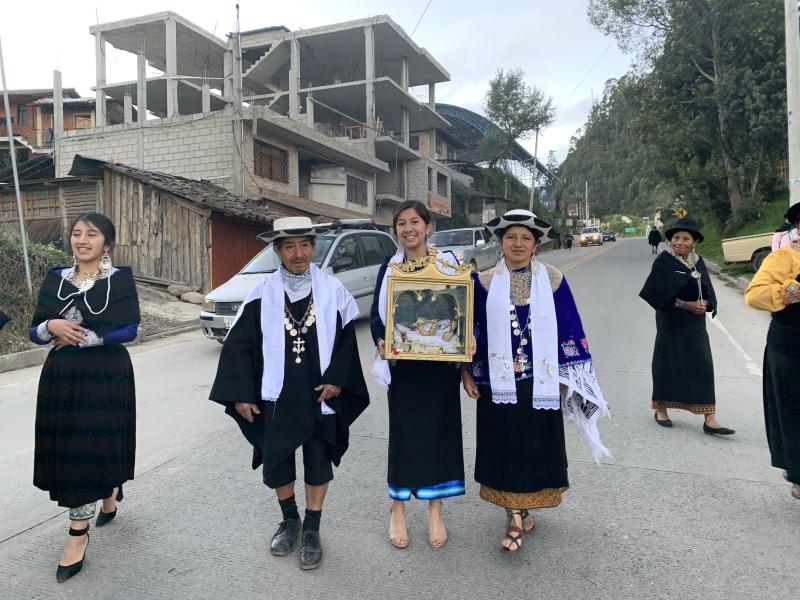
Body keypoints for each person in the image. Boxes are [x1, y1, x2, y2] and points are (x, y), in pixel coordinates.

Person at [210, 216, 369, 570]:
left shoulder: (333, 290)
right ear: (278, 251)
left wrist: (337, 381)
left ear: (314, 247)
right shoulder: (261, 293)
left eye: (305, 245)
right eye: (289, 246)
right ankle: (290, 519)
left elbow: (346, 342)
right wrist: (242, 394)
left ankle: (312, 527)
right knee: (277, 457)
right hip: (275, 394)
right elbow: (240, 347)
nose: (298, 253)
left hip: (319, 393)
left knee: (317, 459)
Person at [461, 209, 610, 553]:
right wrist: (466, 370)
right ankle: (513, 516)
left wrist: (567, 375)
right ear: (500, 243)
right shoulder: (481, 283)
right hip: (495, 382)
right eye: (511, 237)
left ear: (535, 245)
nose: (518, 243)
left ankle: (522, 506)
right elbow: (468, 330)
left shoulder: (554, 279)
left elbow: (569, 324)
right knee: (505, 447)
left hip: (540, 381)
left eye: (525, 238)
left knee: (531, 449)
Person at [29, 212, 140, 583]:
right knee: (70, 449)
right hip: (62, 378)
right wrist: (51, 326)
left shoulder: (119, 280)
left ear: (106, 243)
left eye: (91, 234)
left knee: (90, 449)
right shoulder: (55, 280)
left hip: (106, 375)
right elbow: (34, 330)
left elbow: (131, 327)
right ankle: (107, 492)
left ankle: (78, 535)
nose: (82, 240)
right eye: (77, 233)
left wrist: (88, 337)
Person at [371, 200, 465, 550]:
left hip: (441, 365)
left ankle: (434, 509)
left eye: (414, 222)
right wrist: (381, 339)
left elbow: (466, 309)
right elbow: (377, 315)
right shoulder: (390, 267)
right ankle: (397, 507)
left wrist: (469, 338)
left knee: (440, 434)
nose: (408, 228)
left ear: (428, 227)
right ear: (396, 230)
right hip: (405, 366)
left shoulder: (449, 264)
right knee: (405, 435)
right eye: (401, 223)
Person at [639, 217, 734, 435]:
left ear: (694, 242)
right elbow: (654, 294)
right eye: (675, 238)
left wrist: (706, 303)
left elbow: (707, 288)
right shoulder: (664, 261)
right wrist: (686, 305)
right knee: (667, 363)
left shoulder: (697, 261)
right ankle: (661, 409)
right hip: (670, 322)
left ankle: (709, 417)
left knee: (702, 364)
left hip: (695, 325)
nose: (679, 242)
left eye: (685, 238)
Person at [745, 202, 800, 499]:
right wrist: (786, 291)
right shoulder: (784, 258)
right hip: (790, 342)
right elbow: (754, 294)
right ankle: (798, 474)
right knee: (794, 408)